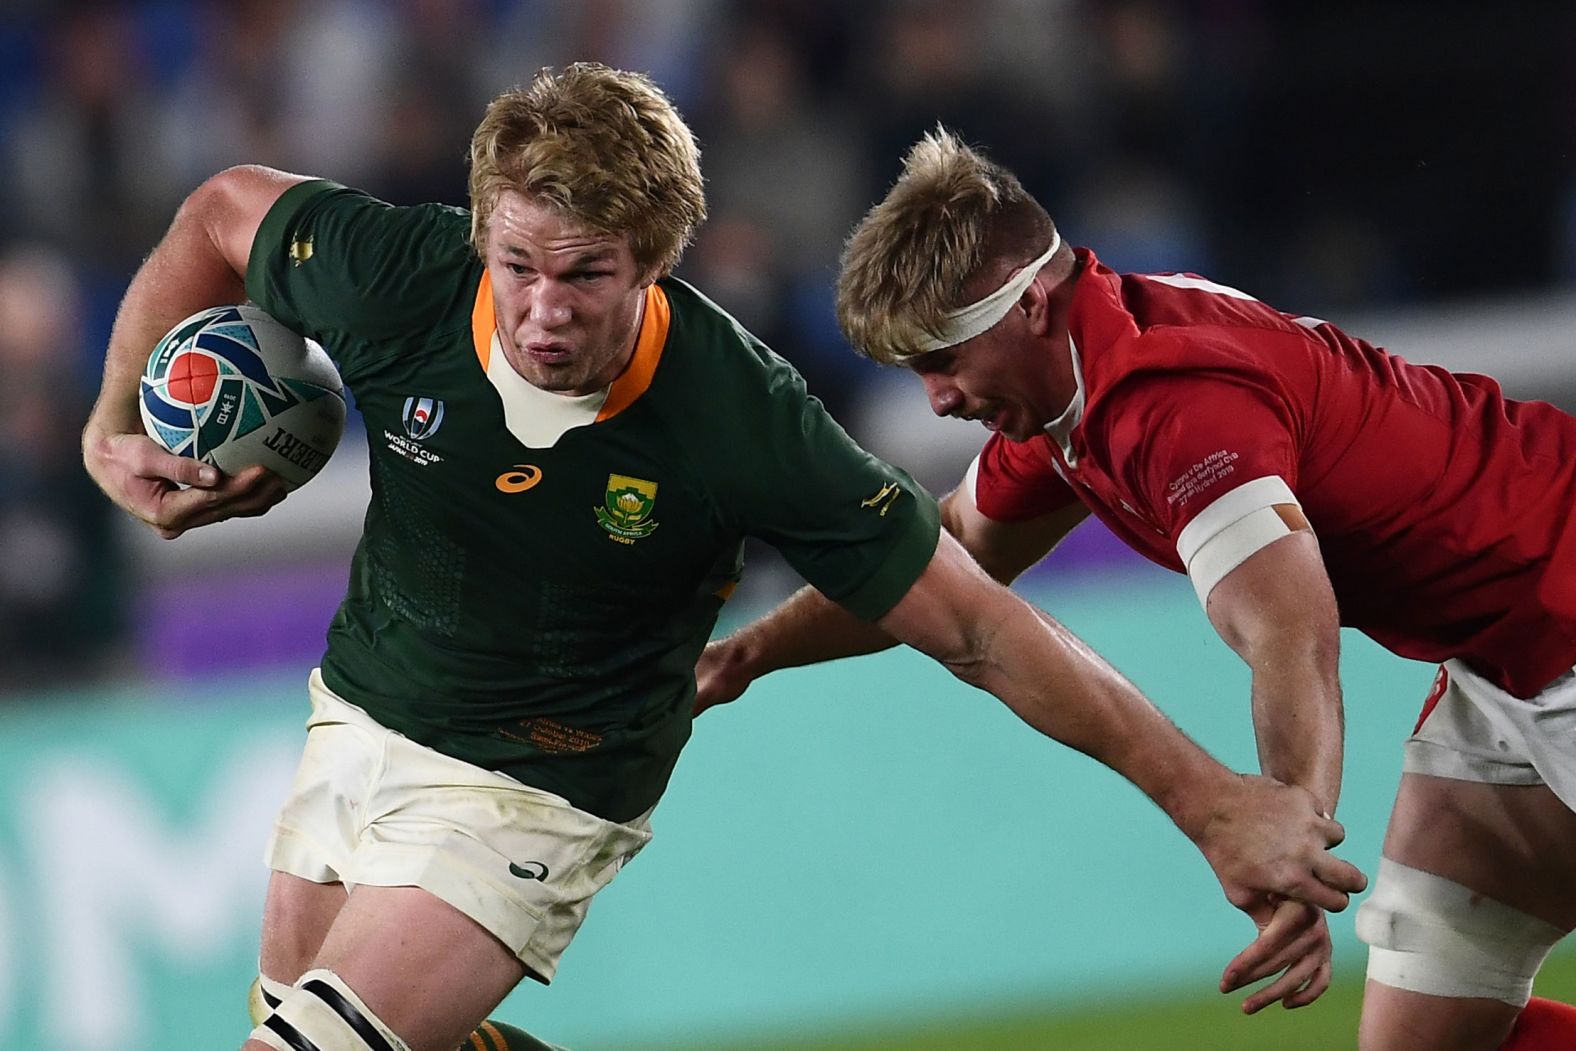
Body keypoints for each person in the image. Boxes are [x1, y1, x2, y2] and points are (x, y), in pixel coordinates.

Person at [81, 67, 1361, 1051]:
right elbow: (218, 212)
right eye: (517, 263)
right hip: (359, 714)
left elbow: (975, 624)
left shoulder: (737, 416)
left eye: (584, 275)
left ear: (653, 260)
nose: (540, 309)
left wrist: (1207, 801)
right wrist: (109, 427)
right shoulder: (398, 277)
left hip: (539, 784)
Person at [695, 126, 1576, 1049]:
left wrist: (1288, 840)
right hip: (1503, 659)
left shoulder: (1167, 400)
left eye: (943, 360)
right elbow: (936, 560)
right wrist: (744, 653)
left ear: (1029, 300)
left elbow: (1287, 624)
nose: (939, 401)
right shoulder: (1076, 389)